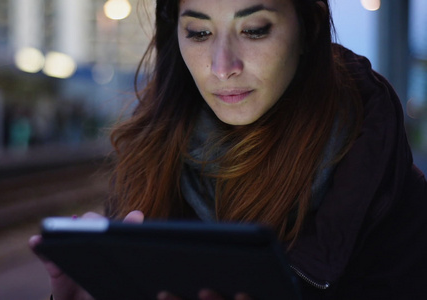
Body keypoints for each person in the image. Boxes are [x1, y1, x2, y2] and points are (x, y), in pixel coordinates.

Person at [30, 0, 427, 299]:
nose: (222, 67)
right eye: (199, 33)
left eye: (254, 29)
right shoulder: (149, 160)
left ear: (307, 28)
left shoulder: (389, 196)